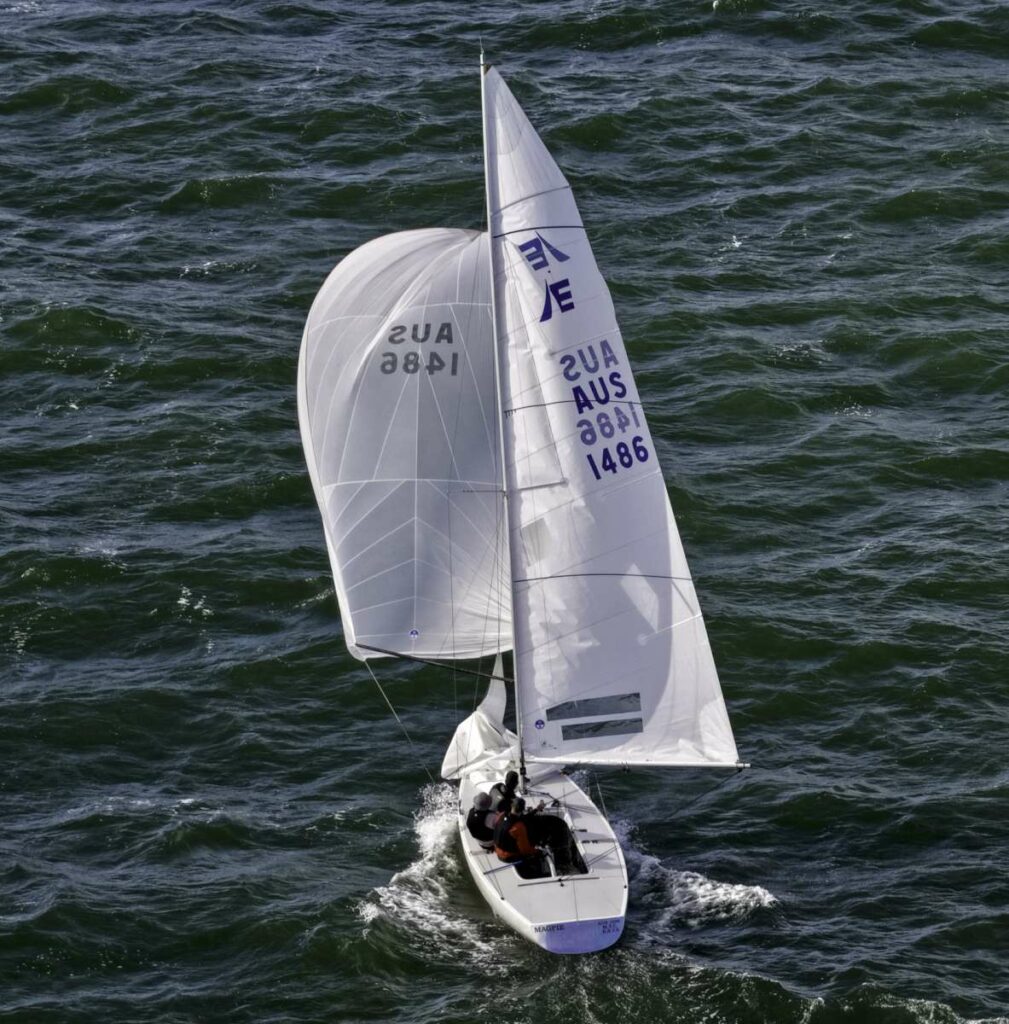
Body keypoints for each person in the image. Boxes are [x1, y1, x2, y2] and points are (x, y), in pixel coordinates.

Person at [493, 797, 547, 878]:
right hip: (508, 857)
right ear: (522, 810)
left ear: (511, 806)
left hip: (497, 851)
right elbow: (525, 850)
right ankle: (536, 874)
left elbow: (521, 818)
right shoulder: (518, 827)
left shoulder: (501, 815)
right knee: (537, 855)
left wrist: (536, 810)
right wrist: (537, 851)